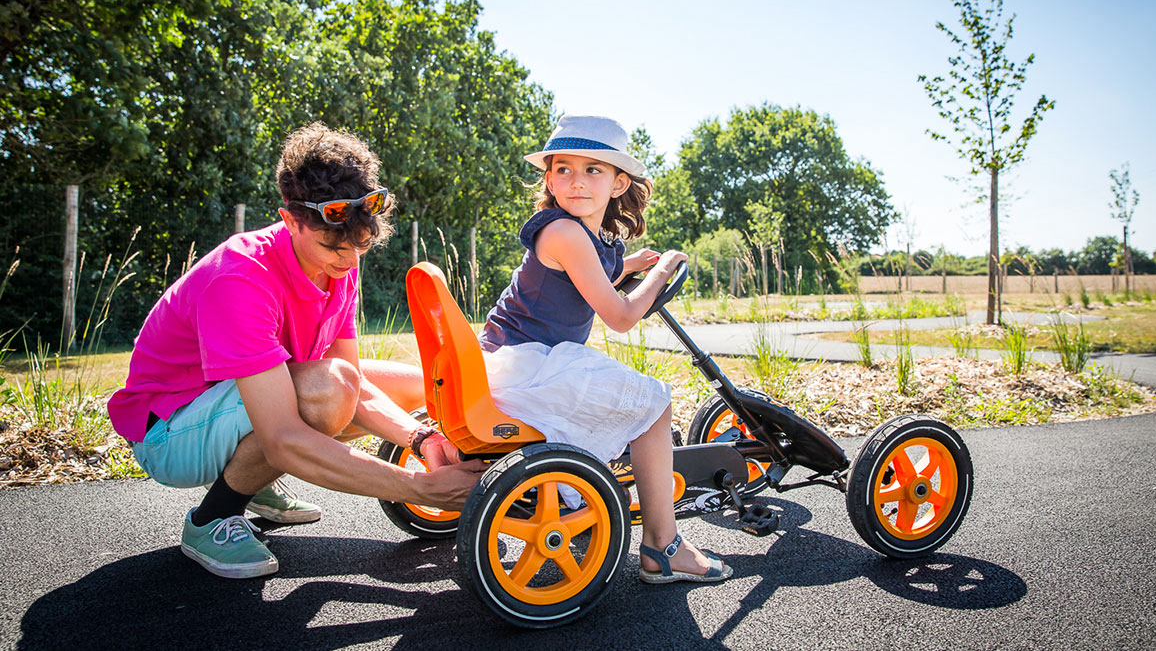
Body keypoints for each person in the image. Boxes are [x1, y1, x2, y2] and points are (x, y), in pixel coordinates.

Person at [107, 122, 486, 579]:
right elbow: (288, 433)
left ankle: (254, 481)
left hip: (236, 400)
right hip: (168, 433)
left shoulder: (339, 262)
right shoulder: (240, 277)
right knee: (326, 394)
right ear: (291, 221)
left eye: (361, 244)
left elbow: (355, 386)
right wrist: (419, 488)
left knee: (413, 384)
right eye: (334, 245)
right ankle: (212, 519)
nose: (349, 259)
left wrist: (421, 439)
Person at [478, 115, 731, 584]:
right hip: (525, 367)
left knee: (618, 396)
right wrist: (661, 271)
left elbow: (586, 281)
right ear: (549, 179)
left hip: (512, 361)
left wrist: (630, 263)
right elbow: (619, 317)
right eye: (564, 169)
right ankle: (662, 544)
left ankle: (591, 493)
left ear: (618, 184)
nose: (576, 181)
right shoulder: (566, 234)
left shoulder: (578, 237)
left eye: (593, 170)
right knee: (655, 405)